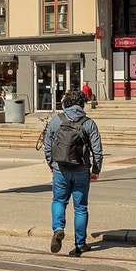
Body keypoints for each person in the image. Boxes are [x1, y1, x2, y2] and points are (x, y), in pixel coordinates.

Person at [43, 89, 103, 256]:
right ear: (82, 104)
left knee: (58, 201)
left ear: (65, 103)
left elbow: (47, 146)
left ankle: (58, 228)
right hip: (81, 170)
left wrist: (51, 164)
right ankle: (80, 244)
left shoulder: (56, 121)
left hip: (60, 169)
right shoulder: (89, 123)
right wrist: (96, 170)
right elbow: (97, 150)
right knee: (81, 208)